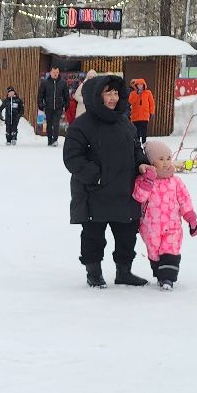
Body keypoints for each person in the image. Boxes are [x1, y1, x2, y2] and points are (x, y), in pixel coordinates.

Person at [63, 75, 150, 288]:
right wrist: (97, 176)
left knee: (127, 234)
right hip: (95, 192)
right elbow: (72, 158)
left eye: (115, 93)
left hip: (124, 190)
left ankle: (124, 272)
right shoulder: (82, 125)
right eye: (107, 93)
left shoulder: (124, 121)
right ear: (96, 95)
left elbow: (135, 147)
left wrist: (141, 163)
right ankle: (94, 272)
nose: (112, 98)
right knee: (94, 235)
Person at [133, 141, 197, 289]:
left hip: (173, 226)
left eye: (168, 158)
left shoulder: (175, 181)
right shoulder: (143, 180)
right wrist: (148, 180)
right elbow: (139, 197)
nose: (166, 162)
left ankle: (168, 279)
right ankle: (160, 275)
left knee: (170, 250)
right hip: (150, 229)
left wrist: (190, 217)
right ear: (151, 161)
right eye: (161, 159)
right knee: (155, 254)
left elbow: (184, 199)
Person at [36, 66, 69, 146]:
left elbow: (66, 95)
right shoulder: (45, 82)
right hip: (48, 106)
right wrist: (40, 104)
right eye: (54, 72)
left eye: (57, 72)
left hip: (58, 107)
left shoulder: (63, 83)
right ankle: (50, 139)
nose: (55, 74)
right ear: (50, 73)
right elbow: (40, 94)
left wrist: (66, 104)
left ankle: (55, 140)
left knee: (56, 123)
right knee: (49, 123)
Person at [127, 78, 155, 144]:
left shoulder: (148, 93)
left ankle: (144, 144)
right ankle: (137, 145)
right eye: (138, 85)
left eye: (141, 85)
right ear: (136, 85)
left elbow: (152, 103)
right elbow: (130, 101)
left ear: (144, 85)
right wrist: (137, 94)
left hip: (144, 116)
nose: (140, 86)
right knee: (136, 132)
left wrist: (151, 112)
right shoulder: (133, 93)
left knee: (144, 132)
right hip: (135, 117)